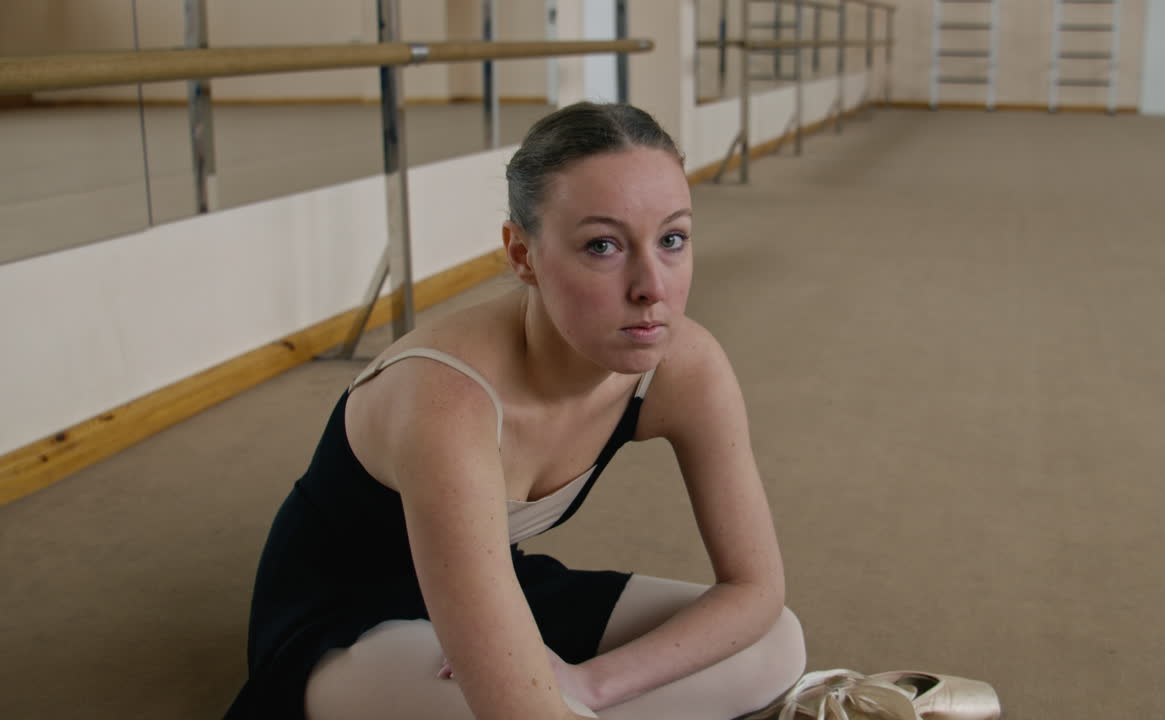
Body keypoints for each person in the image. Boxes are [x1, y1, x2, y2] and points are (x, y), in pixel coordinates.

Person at [225, 101, 807, 720]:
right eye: (603, 245)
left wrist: (592, 684)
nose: (652, 287)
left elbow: (756, 588)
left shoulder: (687, 364)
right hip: (347, 621)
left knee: (776, 642)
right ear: (522, 254)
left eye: (671, 239)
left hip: (493, 582)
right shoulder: (444, 401)